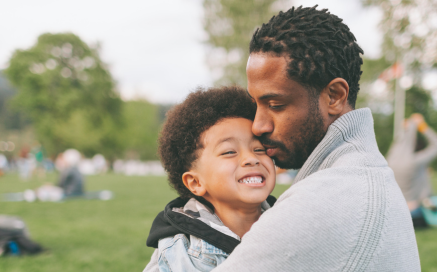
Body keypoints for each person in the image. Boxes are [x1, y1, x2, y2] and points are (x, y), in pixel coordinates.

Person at [214, 6, 420, 271]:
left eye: (275, 104)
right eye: (256, 104)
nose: (258, 125)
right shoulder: (364, 176)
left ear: (334, 96)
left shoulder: (325, 200)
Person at [143, 87, 276, 271]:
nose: (251, 158)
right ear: (196, 183)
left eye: (259, 149)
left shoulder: (292, 220)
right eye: (229, 152)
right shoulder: (180, 250)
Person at [386, 113, 437, 227]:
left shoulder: (389, 159)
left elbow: (399, 144)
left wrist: (405, 130)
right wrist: (422, 126)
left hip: (394, 212)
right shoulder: (415, 161)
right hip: (413, 213)